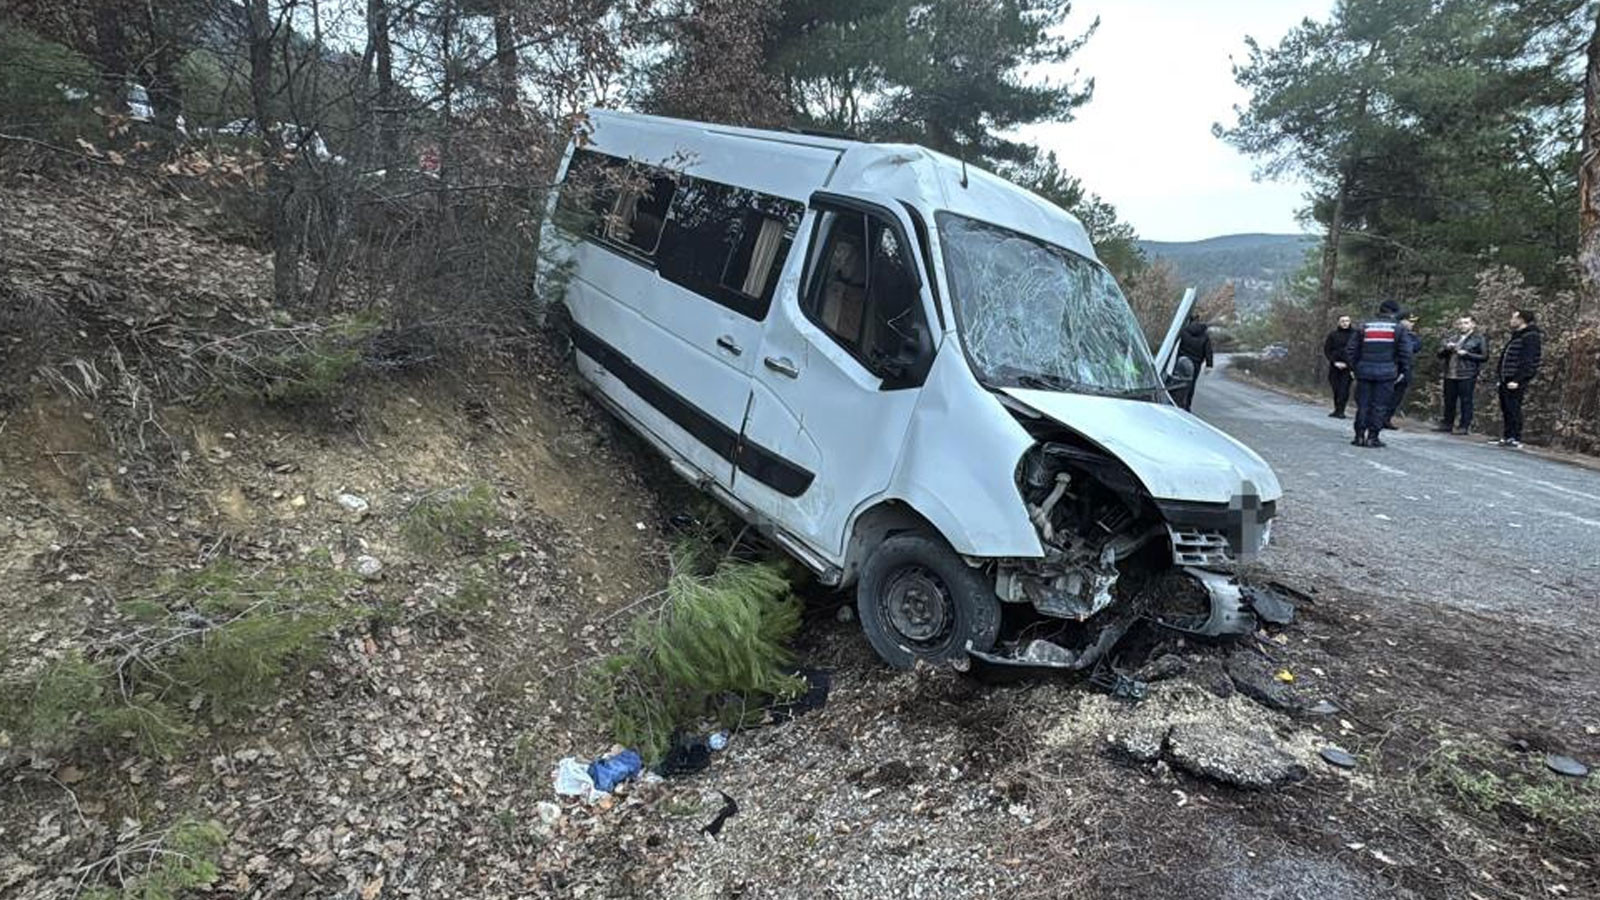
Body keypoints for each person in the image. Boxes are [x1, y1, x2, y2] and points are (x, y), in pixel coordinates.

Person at [1345, 299, 1413, 448]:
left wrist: (1354, 368)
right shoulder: (1398, 329)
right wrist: (1403, 370)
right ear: (1394, 312)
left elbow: (1351, 349)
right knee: (1380, 405)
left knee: (1363, 404)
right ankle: (1373, 437)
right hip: (1387, 373)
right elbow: (1406, 353)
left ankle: (1359, 436)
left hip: (1364, 371)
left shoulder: (1364, 325)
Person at [1493, 308, 1543, 448]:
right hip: (1506, 377)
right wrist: (1500, 377)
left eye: (1513, 318)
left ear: (1521, 320)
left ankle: (1515, 436)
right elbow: (1506, 357)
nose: (1511, 320)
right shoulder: (1517, 336)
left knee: (1514, 407)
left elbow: (1529, 361)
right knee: (1506, 408)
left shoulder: (1531, 336)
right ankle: (1507, 435)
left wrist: (1518, 379)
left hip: (1515, 379)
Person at [1433, 315, 1487, 434]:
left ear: (1473, 324)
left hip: (1467, 374)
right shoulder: (1452, 337)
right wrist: (1447, 349)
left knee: (1465, 401)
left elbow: (1484, 357)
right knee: (1449, 399)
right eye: (1461, 323)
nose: (1463, 325)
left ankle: (1464, 426)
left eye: (1466, 323)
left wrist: (1467, 354)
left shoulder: (1478, 339)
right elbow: (1439, 354)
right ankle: (1447, 423)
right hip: (1450, 373)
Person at [1381, 311, 1423, 429]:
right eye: (1409, 321)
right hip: (1391, 367)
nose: (1412, 324)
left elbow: (1416, 347)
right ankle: (1377, 417)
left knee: (1397, 396)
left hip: (1405, 368)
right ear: (1401, 321)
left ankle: (1386, 419)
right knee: (1384, 395)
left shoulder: (1412, 336)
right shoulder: (1392, 333)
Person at [1175, 318, 1214, 411]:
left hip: (1182, 360)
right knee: (1191, 384)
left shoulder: (1184, 331)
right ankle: (1187, 405)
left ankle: (1177, 402)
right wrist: (1209, 365)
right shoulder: (1205, 337)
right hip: (1195, 363)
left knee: (1178, 382)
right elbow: (1208, 351)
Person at [1322, 314, 1355, 418]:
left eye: (1347, 321)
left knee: (1344, 389)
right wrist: (1334, 362)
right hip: (1335, 366)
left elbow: (1357, 351)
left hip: (1348, 367)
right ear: (1339, 323)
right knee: (1336, 388)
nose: (1345, 323)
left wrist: (1350, 364)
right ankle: (1336, 409)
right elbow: (1327, 350)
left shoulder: (1355, 335)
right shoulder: (1333, 335)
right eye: (1343, 321)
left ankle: (1341, 411)